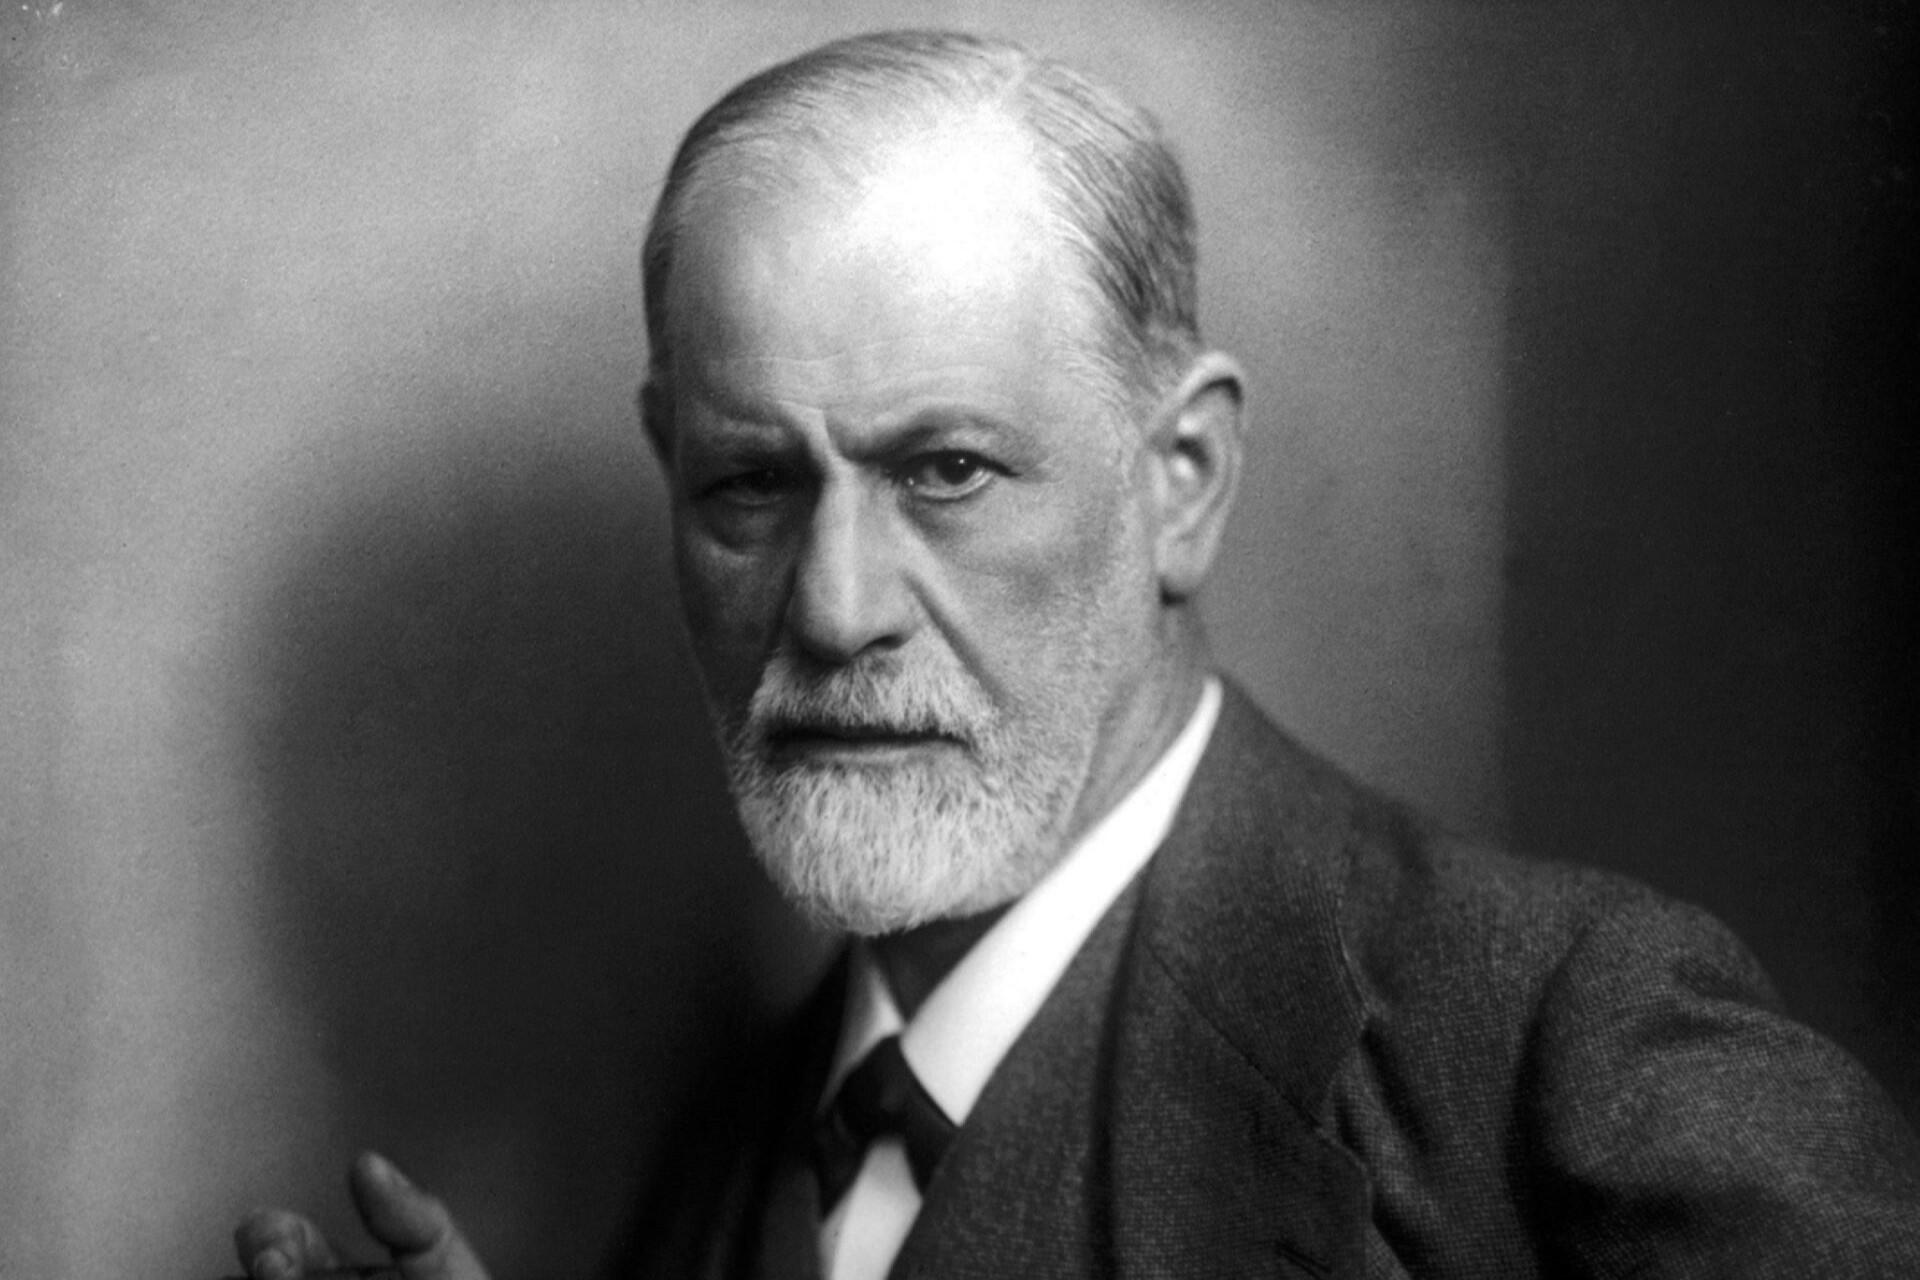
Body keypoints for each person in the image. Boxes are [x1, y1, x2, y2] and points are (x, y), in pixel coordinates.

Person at [233, 29, 1920, 1280]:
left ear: (1182, 481)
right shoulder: (719, 1140)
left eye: (946, 471)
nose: (834, 608)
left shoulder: (1568, 1055)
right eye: (750, 485)